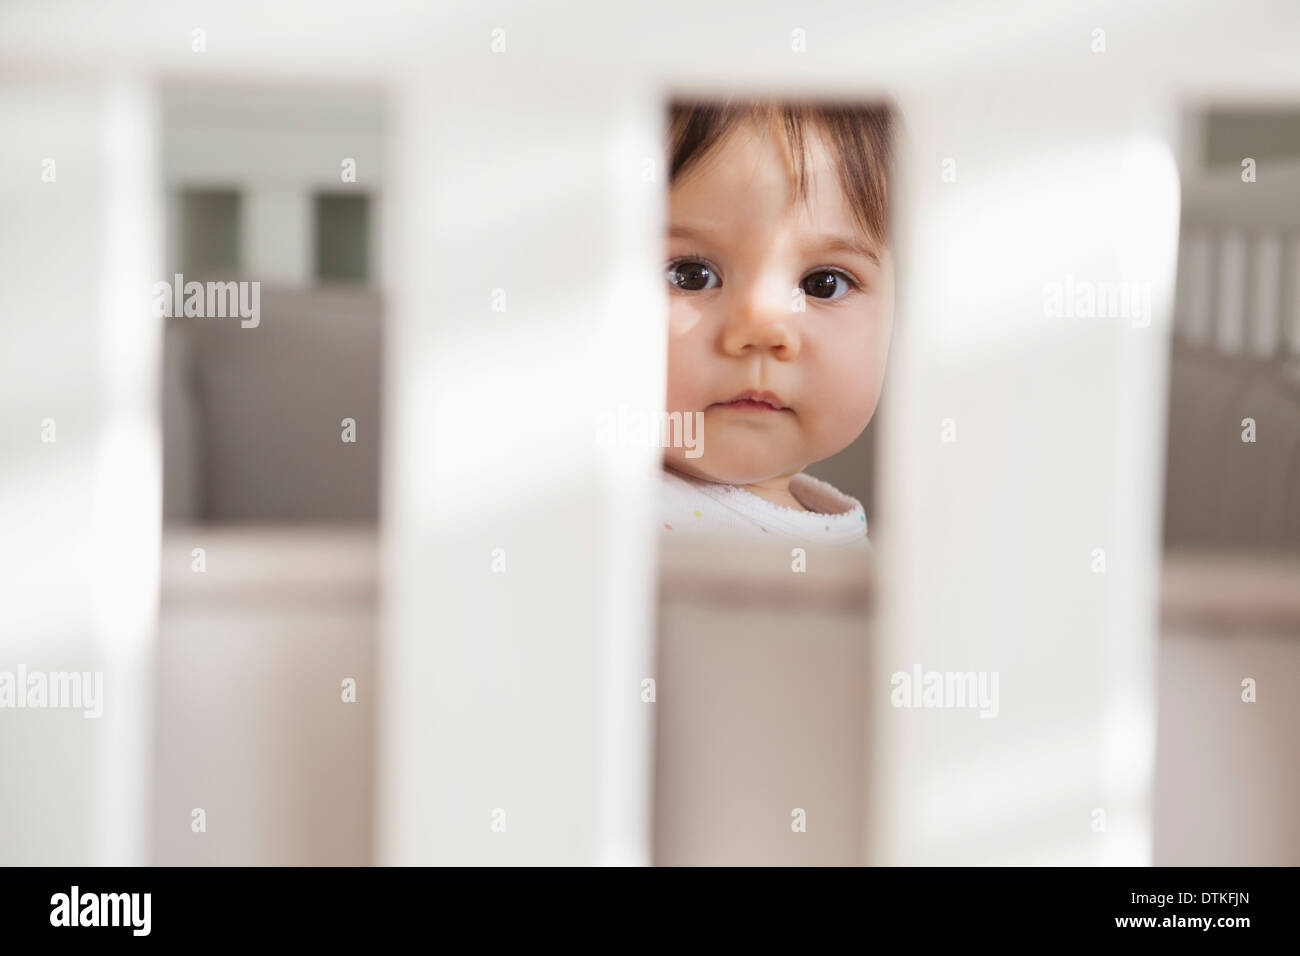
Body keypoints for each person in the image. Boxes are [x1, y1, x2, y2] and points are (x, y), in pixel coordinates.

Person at [661, 98, 895, 549]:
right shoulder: (602, 510)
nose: (764, 330)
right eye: (692, 276)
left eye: (823, 284)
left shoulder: (853, 547)